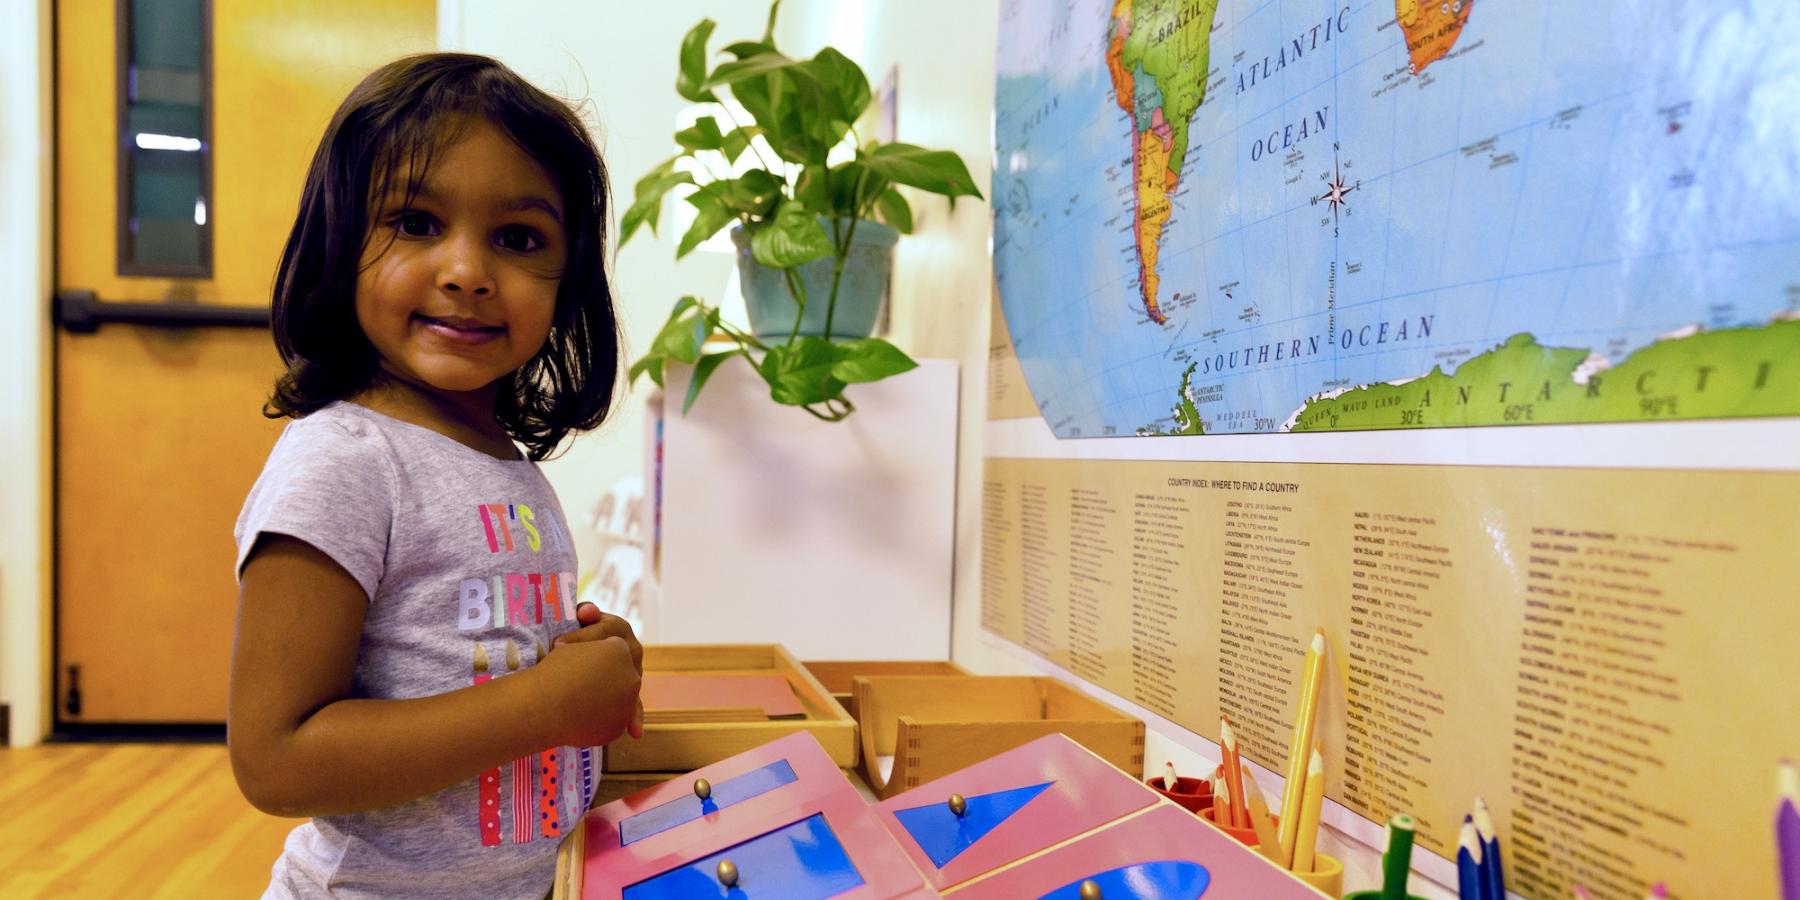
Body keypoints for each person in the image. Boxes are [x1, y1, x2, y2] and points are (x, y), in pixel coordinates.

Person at [229, 53, 643, 900]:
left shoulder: (507, 466)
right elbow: (275, 760)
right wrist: (545, 707)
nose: (467, 271)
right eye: (416, 222)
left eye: (520, 239)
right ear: (343, 242)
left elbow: (486, 669)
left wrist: (587, 658)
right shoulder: (344, 459)